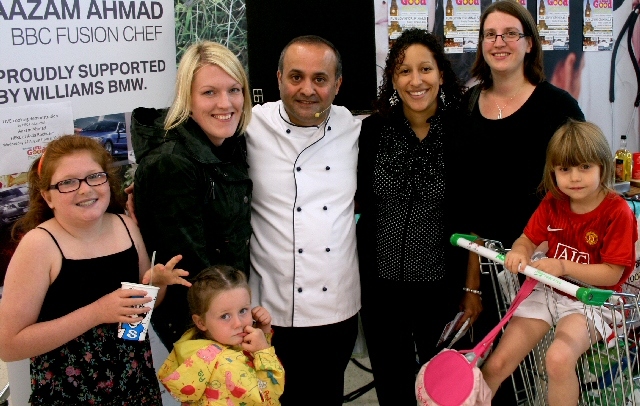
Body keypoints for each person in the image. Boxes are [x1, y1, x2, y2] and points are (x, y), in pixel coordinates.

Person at [0, 135, 190, 405]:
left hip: (136, 389)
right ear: (47, 196)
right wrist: (97, 312)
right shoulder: (39, 245)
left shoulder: (125, 226)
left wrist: (156, 285)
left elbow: (141, 311)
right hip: (69, 395)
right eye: (67, 182)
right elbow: (9, 345)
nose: (84, 189)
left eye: (94, 177)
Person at [458, 1, 586, 401]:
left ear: (529, 43)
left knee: (539, 377)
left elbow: (585, 189)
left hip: (546, 270)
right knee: (493, 374)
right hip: (492, 264)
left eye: (510, 33)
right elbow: (470, 202)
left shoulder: (558, 107)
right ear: (480, 46)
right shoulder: (468, 107)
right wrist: (473, 285)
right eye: (490, 34)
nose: (499, 42)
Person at [481, 120, 637, 404]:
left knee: (558, 358)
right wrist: (520, 251)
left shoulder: (618, 212)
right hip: (548, 291)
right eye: (565, 169)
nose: (574, 178)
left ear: (603, 166)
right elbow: (527, 239)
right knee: (496, 364)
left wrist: (562, 266)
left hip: (593, 300)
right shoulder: (553, 201)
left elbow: (612, 274)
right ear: (552, 171)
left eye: (585, 167)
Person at [355, 28, 469, 405]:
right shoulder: (371, 132)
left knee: (444, 389)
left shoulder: (462, 132)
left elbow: (473, 218)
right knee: (392, 386)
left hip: (441, 289)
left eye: (425, 69)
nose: (415, 81)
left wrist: (471, 289)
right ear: (392, 78)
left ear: (441, 74)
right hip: (381, 290)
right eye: (404, 71)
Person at [245, 35, 361, 405]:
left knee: (327, 397)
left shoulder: (356, 129)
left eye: (320, 79)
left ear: (337, 84)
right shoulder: (248, 125)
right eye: (296, 77)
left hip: (336, 308)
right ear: (278, 78)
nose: (307, 89)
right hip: (268, 309)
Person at [131, 40, 253, 350]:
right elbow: (192, 268)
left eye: (234, 90)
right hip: (199, 320)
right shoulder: (171, 162)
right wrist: (232, 327)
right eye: (209, 92)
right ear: (187, 97)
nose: (225, 104)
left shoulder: (230, 143)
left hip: (225, 311)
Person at [158, 265, 284, 406]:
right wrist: (263, 351)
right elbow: (269, 395)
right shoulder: (226, 364)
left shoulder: (199, 349)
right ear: (200, 322)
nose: (238, 323)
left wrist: (263, 332)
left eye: (243, 310)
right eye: (225, 316)